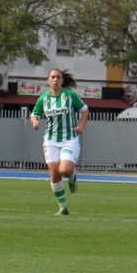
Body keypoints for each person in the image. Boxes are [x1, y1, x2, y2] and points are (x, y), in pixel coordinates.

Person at [29, 68, 89, 215]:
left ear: (62, 80)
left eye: (58, 77)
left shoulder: (70, 96)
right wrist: (35, 122)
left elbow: (85, 110)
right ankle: (63, 207)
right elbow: (34, 114)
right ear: (48, 80)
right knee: (54, 174)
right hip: (51, 140)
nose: (55, 80)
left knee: (65, 170)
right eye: (53, 77)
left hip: (69, 139)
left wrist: (82, 125)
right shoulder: (43, 99)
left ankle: (72, 175)